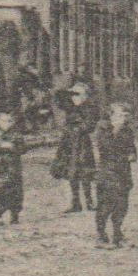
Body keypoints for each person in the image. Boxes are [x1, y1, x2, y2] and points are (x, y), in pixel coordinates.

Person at [92, 102, 136, 249]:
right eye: (120, 115)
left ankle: (118, 235)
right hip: (107, 172)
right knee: (105, 205)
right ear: (111, 115)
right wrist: (117, 130)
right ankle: (101, 236)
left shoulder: (127, 130)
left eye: (126, 115)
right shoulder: (103, 128)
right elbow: (106, 148)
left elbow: (131, 147)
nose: (124, 118)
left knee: (122, 205)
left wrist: (132, 154)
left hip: (123, 172)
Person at [52, 80, 98, 213]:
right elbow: (58, 94)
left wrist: (76, 128)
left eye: (78, 94)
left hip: (82, 144)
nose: (74, 97)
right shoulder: (70, 108)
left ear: (85, 96)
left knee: (85, 172)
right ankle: (75, 202)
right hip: (69, 144)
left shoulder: (89, 108)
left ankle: (89, 201)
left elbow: (89, 125)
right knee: (72, 172)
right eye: (72, 94)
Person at [0, 109, 24, 226]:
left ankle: (14, 214)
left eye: (9, 121)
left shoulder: (16, 135)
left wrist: (10, 147)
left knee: (16, 191)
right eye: (4, 121)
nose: (6, 123)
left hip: (13, 168)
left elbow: (22, 148)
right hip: (0, 168)